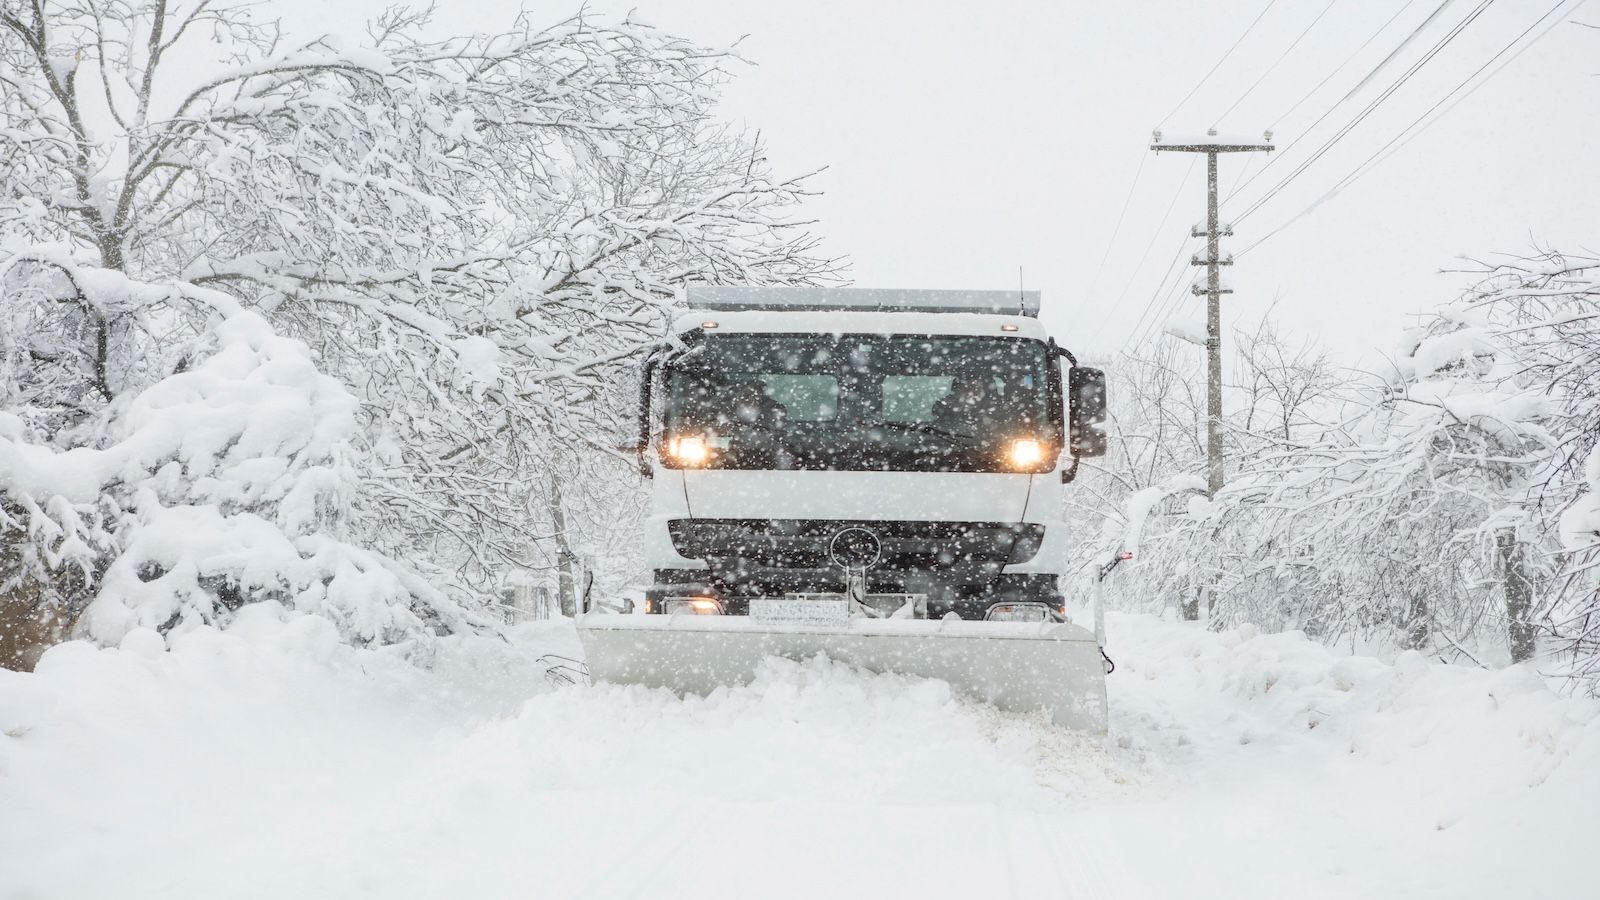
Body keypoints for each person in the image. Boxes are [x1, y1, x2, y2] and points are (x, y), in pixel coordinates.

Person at [930, 374, 998, 436]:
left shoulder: (995, 414)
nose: (971, 392)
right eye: (966, 388)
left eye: (977, 388)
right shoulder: (945, 411)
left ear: (985, 392)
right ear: (956, 392)